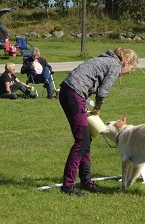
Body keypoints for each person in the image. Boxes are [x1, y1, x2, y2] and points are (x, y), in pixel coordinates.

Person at [58, 47, 139, 196]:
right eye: (132, 68)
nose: (130, 72)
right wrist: (97, 108)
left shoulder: (107, 60)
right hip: (74, 94)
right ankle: (68, 185)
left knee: (85, 139)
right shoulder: (115, 65)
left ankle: (86, 181)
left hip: (69, 92)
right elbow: (102, 92)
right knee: (81, 141)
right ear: (127, 62)